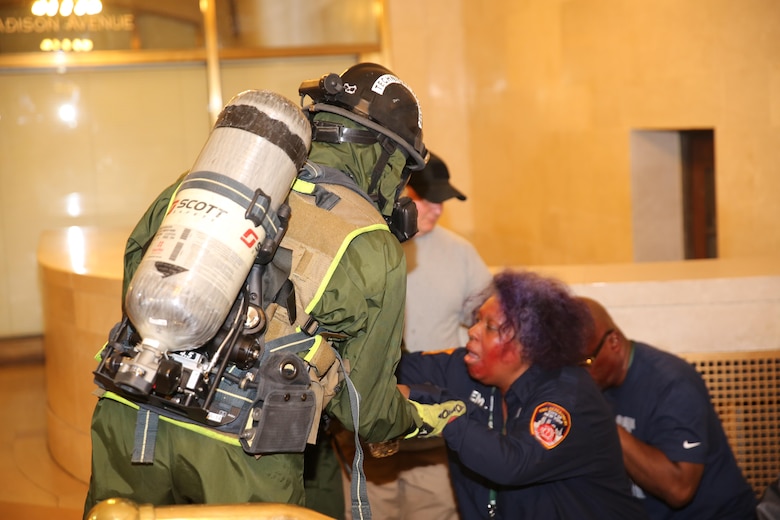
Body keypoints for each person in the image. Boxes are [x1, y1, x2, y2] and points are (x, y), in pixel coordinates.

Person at [83, 63, 460, 520]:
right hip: (244, 446)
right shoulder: (371, 243)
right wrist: (418, 421)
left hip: (130, 409)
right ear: (384, 157)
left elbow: (136, 278)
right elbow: (368, 409)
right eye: (401, 166)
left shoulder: (204, 184)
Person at [396, 270, 649, 519]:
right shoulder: (464, 367)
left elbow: (512, 463)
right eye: (477, 320)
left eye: (490, 327)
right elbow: (394, 371)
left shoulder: (569, 397)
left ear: (529, 345)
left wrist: (441, 412)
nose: (472, 331)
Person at [342, 153, 492, 519]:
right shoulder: (361, 244)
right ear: (400, 189)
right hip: (369, 423)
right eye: (429, 199)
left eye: (443, 201)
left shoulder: (460, 253)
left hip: (433, 424)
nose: (438, 210)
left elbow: (487, 320)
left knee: (436, 511)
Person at [578, 296, 758, 519]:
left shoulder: (672, 384)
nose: (578, 376)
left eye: (584, 363)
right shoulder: (596, 382)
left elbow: (679, 489)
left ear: (613, 342)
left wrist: (603, 423)